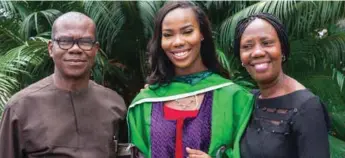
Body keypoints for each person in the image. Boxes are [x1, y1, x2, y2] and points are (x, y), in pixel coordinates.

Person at [188, 12, 331, 158]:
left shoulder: (307, 107)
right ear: (241, 59)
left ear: (282, 49)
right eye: (247, 46)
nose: (257, 52)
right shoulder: (248, 101)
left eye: (266, 43)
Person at [127, 1, 254, 158]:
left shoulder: (235, 98)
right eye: (167, 35)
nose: (178, 42)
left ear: (202, 34)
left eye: (187, 32)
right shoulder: (145, 104)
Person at [0, 12, 127, 158]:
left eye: (85, 42)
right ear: (50, 48)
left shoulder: (114, 104)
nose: (75, 49)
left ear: (95, 50)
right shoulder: (20, 108)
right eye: (65, 41)